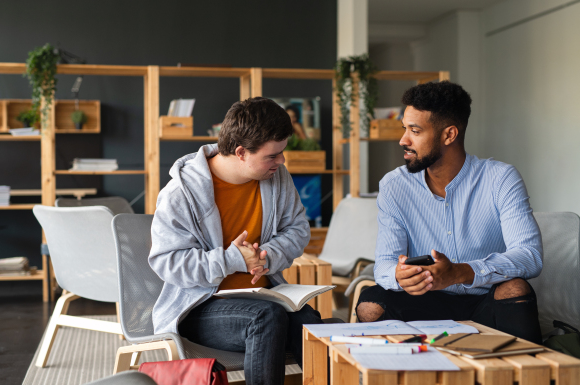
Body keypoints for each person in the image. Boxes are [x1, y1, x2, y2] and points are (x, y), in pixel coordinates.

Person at [148, 97, 323, 385]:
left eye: (282, 152)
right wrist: (232, 259)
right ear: (241, 152)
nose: (281, 161)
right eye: (272, 155)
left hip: (267, 296)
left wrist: (265, 255)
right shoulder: (180, 193)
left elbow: (298, 229)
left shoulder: (277, 177)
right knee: (265, 319)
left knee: (310, 323)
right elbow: (167, 262)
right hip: (199, 305)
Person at [357, 81, 544, 344]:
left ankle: (528, 374)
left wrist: (460, 272)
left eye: (415, 130)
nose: (403, 140)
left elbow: (530, 256)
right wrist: (399, 276)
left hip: (484, 301)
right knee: (369, 305)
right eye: (404, 129)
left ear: (449, 135)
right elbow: (385, 263)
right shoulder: (394, 185)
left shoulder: (501, 178)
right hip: (425, 301)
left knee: (516, 288)